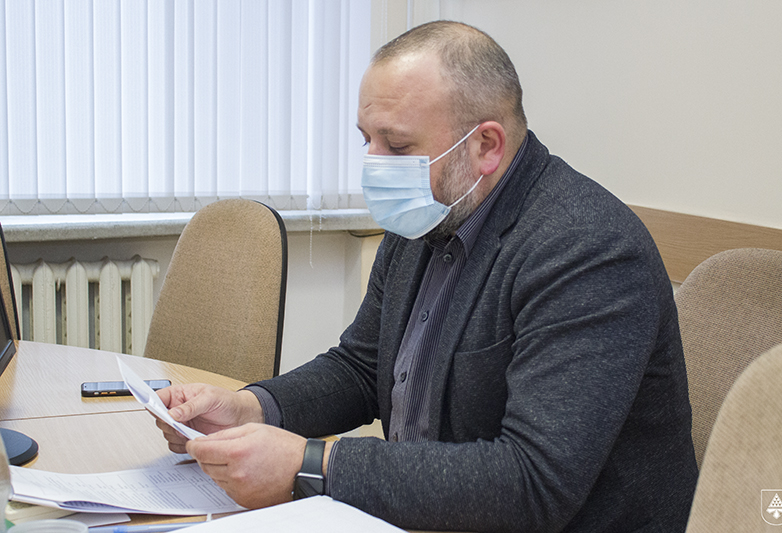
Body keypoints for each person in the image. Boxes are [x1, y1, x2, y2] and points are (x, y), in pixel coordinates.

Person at [155, 20, 698, 532]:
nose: (374, 165)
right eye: (366, 140)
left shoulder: (588, 250)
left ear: (486, 146)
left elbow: (534, 481)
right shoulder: (432, 210)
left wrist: (312, 463)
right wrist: (252, 408)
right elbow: (362, 368)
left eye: (397, 146)